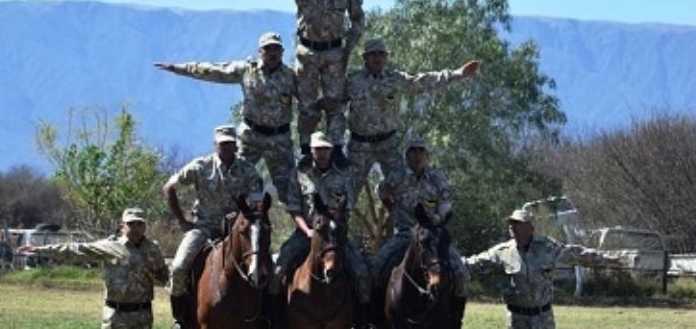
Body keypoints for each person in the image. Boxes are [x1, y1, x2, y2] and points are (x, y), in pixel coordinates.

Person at [154, 32, 297, 204]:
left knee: (290, 189)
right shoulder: (246, 70)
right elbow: (212, 70)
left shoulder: (291, 76)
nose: (272, 52)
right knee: (234, 182)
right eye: (268, 48)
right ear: (260, 51)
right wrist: (178, 68)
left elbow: (310, 98)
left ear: (282, 51)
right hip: (250, 137)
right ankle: (228, 227)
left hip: (279, 139)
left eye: (276, 48)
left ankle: (303, 230)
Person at [344, 38, 481, 202]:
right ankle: (337, 226)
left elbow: (422, 82)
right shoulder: (352, 81)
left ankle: (404, 226)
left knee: (402, 190)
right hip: (360, 145)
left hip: (388, 144)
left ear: (386, 57)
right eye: (373, 54)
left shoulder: (395, 79)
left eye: (381, 54)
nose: (377, 58)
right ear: (365, 57)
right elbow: (334, 104)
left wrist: (457, 74)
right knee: (346, 195)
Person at [267, 0, 364, 165]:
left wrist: (349, 47)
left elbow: (358, 19)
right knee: (307, 102)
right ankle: (305, 148)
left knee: (335, 102)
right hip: (307, 52)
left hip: (334, 52)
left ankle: (337, 148)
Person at [269, 132, 374, 329]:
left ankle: (363, 320)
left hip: (334, 235)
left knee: (361, 272)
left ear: (332, 150)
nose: (322, 153)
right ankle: (274, 319)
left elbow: (347, 208)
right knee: (278, 269)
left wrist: (336, 227)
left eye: (326, 149)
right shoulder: (300, 174)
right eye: (318, 149)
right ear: (311, 151)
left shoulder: (344, 175)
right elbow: (294, 209)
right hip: (306, 233)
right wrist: (308, 231)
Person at [162, 125, 264, 328]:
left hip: (237, 230)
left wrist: (246, 215)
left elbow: (257, 204)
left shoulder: (248, 171)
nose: (226, 148)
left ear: (236, 145)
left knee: (263, 265)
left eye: (230, 144)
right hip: (204, 228)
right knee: (179, 267)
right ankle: (180, 318)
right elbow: (169, 187)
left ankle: (265, 316)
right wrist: (182, 220)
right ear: (215, 144)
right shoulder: (200, 166)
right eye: (222, 144)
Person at [465, 209, 622, 329]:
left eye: (517, 223)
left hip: (543, 318)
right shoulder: (502, 252)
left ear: (530, 227)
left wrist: (607, 259)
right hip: (516, 318)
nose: (512, 226)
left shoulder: (547, 247)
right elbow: (475, 263)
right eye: (511, 223)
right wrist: (447, 263)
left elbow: (577, 254)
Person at [372, 135, 469, 328]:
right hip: (405, 234)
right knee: (375, 267)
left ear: (427, 155)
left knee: (461, 273)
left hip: (431, 235)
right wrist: (393, 211)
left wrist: (437, 221)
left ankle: (456, 319)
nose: (417, 155)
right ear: (406, 155)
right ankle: (374, 319)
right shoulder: (396, 176)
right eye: (413, 151)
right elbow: (381, 192)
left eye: (421, 151)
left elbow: (446, 204)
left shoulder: (437, 178)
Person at [30, 208, 169, 329]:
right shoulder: (110, 246)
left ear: (145, 226)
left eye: (139, 224)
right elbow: (77, 250)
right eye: (131, 224)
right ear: (122, 226)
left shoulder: (153, 249)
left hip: (142, 315)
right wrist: (41, 250)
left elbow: (164, 277)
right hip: (116, 315)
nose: (135, 227)